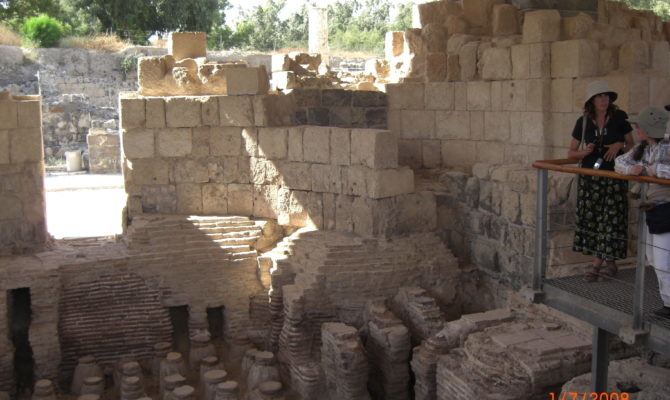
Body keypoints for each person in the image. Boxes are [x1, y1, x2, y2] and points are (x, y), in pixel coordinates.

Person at [568, 81, 634, 282]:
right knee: (596, 220)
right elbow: (571, 153)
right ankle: (610, 264)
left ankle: (596, 265)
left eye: (606, 96)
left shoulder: (619, 118)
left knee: (611, 219)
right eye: (599, 96)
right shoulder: (584, 122)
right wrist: (584, 152)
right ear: (592, 100)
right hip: (591, 179)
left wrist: (619, 144)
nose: (604, 100)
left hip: (614, 177)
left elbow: (632, 145)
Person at [615, 106, 670, 318]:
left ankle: (668, 303)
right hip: (653, 208)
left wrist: (651, 170)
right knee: (653, 258)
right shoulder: (644, 147)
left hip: (665, 207)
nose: (636, 129)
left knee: (663, 259)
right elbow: (620, 163)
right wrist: (632, 170)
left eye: (639, 126)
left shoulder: (666, 145)